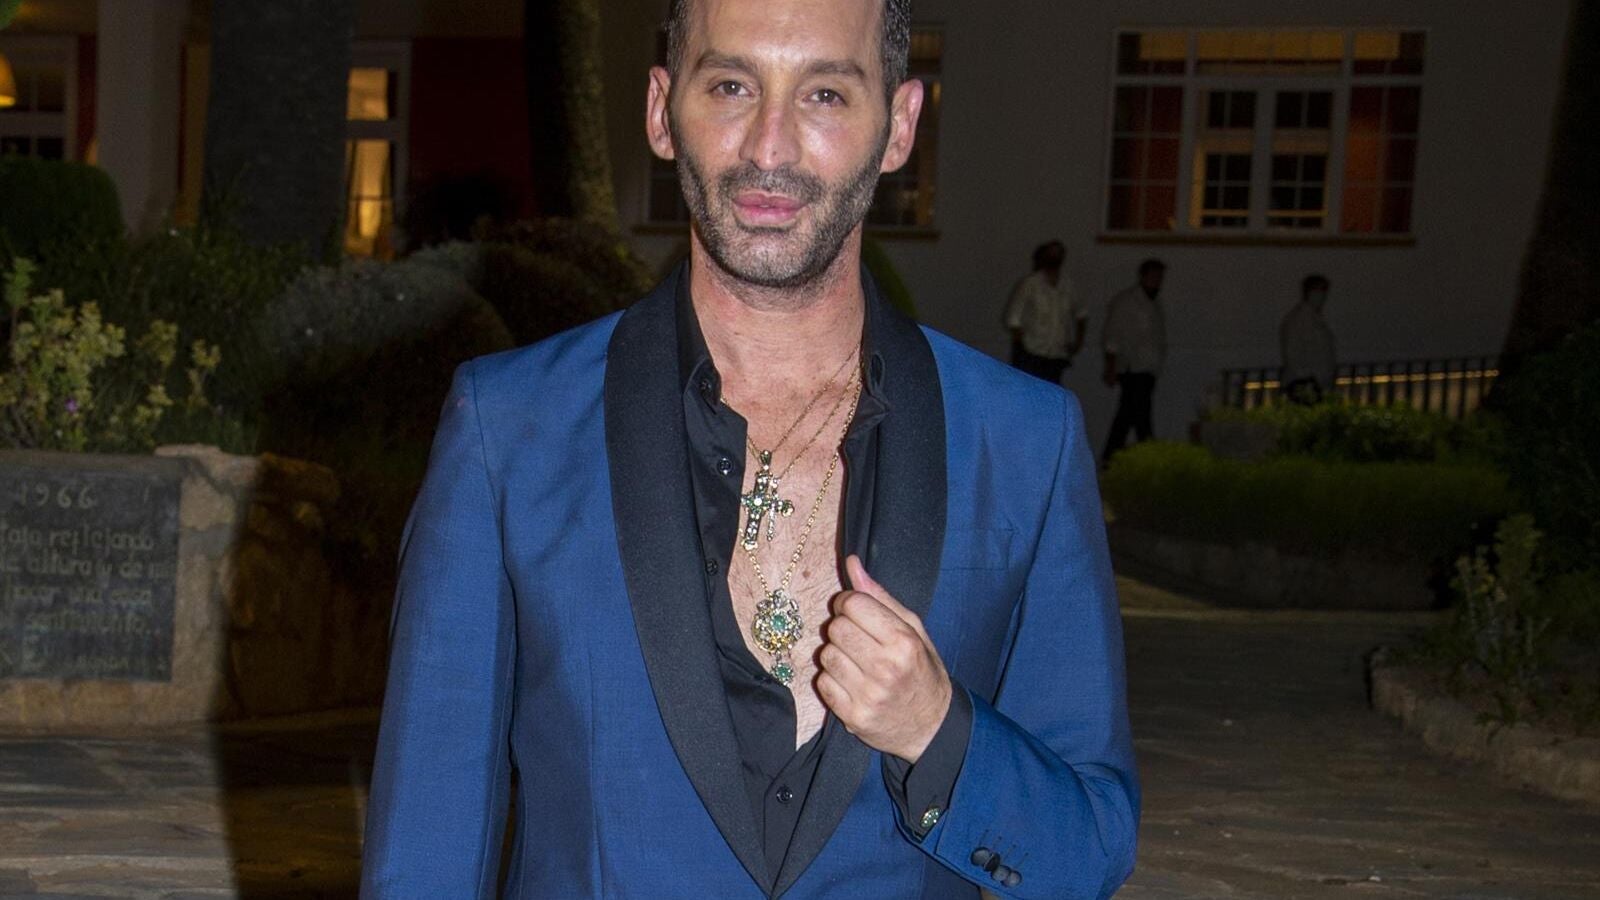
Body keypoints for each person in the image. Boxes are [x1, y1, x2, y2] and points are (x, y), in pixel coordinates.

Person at [359, 1, 1138, 897]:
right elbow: (423, 853)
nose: (770, 147)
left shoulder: (1026, 444)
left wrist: (938, 733)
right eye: (731, 86)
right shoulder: (507, 431)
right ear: (662, 112)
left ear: (899, 126)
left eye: (825, 95)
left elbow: (1090, 850)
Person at [1101, 258, 1167, 463]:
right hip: (1132, 368)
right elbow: (1112, 335)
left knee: (1129, 415)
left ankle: (1112, 457)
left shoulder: (1154, 303)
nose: (1157, 281)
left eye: (1159, 277)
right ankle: (1146, 457)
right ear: (1143, 276)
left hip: (1148, 369)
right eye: (1153, 276)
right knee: (1139, 416)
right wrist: (1111, 366)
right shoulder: (1126, 302)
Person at [1004, 240, 1086, 384]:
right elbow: (1013, 319)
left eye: (1058, 253)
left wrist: (1078, 342)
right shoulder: (1030, 284)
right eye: (1051, 253)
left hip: (1057, 354)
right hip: (1032, 353)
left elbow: (1081, 314)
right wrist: (1022, 349)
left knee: (1052, 391)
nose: (1054, 257)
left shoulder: (1068, 285)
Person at [1280, 274, 1337, 404]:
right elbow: (1292, 353)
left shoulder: (1315, 318)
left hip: (1318, 383)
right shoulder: (1297, 320)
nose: (1323, 296)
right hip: (1305, 383)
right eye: (1319, 291)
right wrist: (1308, 377)